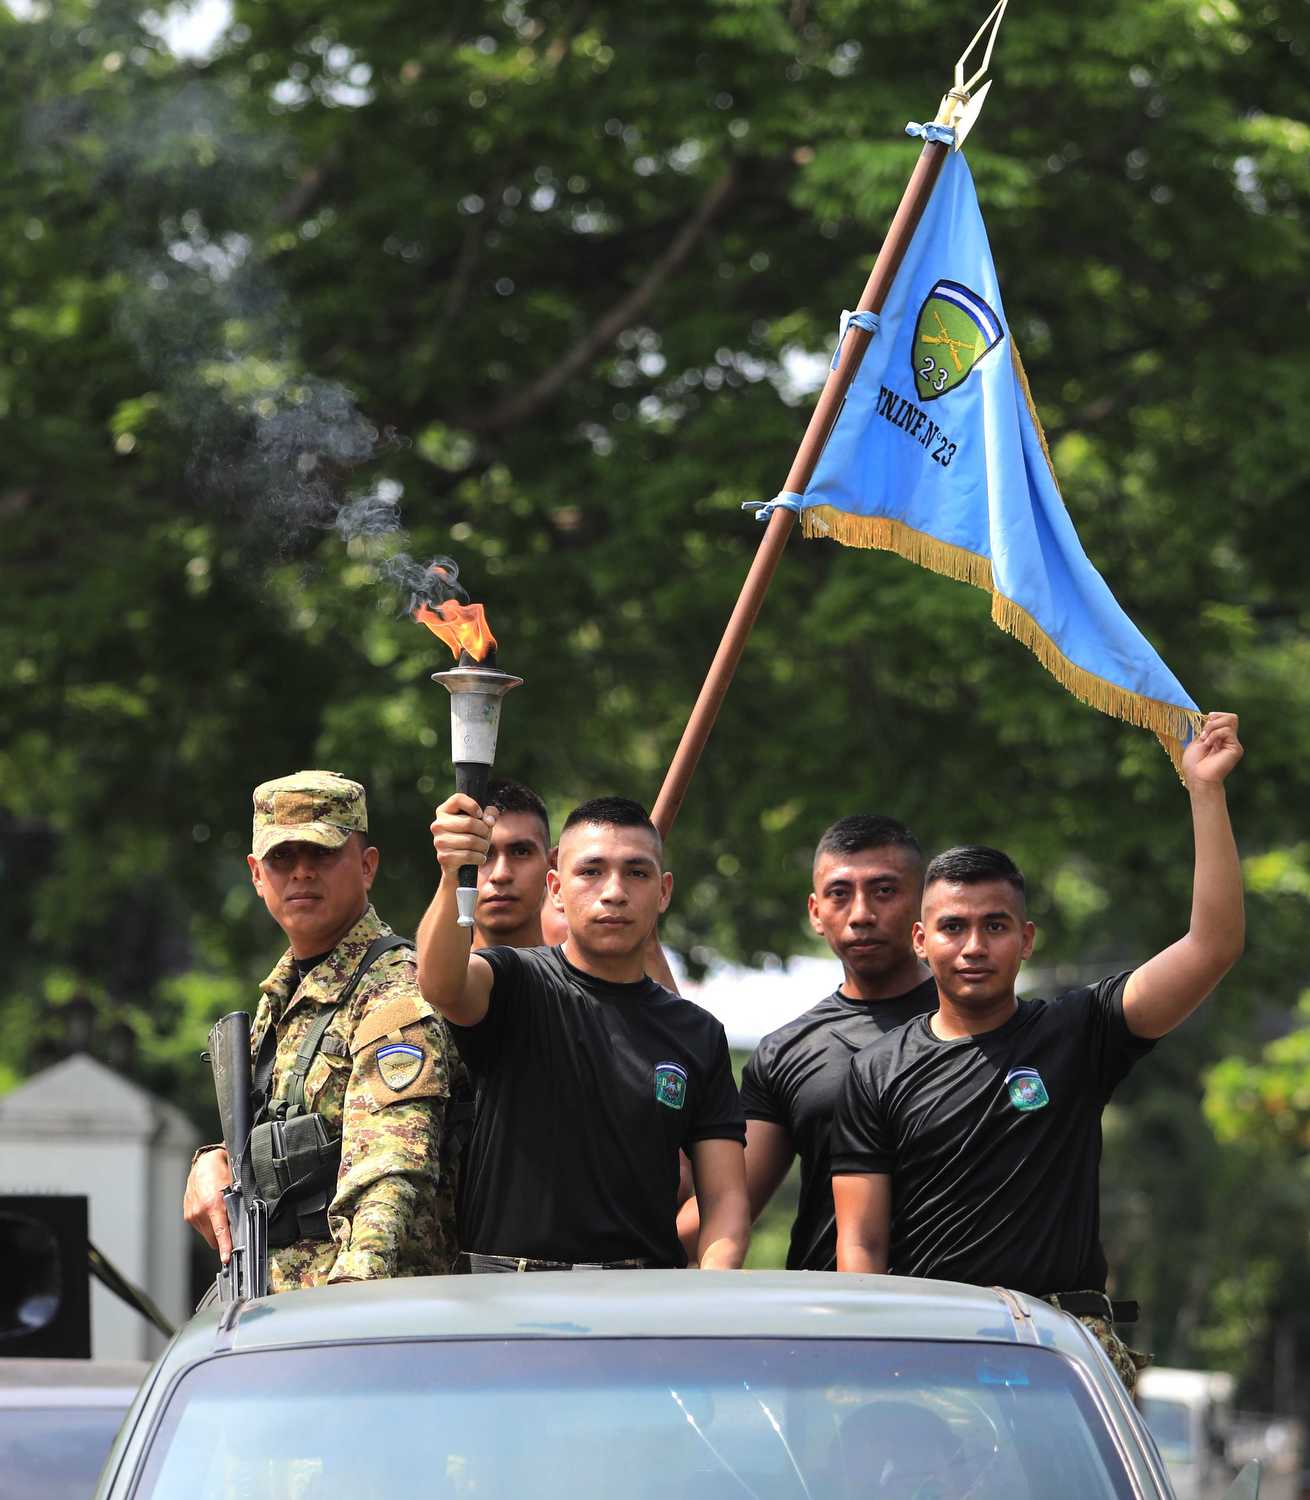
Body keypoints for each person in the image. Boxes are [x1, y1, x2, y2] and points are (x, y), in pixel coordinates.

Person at [831, 712, 1245, 1390]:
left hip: (1061, 1359)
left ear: (1026, 939)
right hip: (930, 1356)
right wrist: (877, 1364)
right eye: (953, 927)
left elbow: (1213, 946)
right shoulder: (876, 1071)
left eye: (995, 926)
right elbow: (861, 1244)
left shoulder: (1080, 1032)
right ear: (921, 942)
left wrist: (1206, 791)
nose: (974, 946)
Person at [418, 792, 750, 1270]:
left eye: (637, 873)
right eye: (591, 871)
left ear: (664, 891)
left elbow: (725, 1201)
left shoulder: (697, 1033)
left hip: (641, 1295)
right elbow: (441, 984)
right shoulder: (513, 981)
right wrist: (456, 873)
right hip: (504, 1291)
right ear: (555, 887)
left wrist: (712, 1291)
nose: (614, 891)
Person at [183, 771, 459, 1291]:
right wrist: (213, 1161)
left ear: (367, 865)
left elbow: (391, 1167)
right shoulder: (284, 995)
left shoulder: (393, 993)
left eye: (323, 853)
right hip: (274, 1302)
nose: (302, 872)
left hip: (363, 1311)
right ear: (256, 874)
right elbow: (284, 1135)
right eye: (282, 857)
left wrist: (350, 1298)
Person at [677, 814, 937, 1270]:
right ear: (816, 912)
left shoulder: (983, 1028)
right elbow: (723, 1208)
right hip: (831, 1304)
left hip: (966, 1305)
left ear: (924, 904)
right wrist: (610, 1257)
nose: (861, 914)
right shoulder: (786, 1053)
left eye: (884, 891)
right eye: (840, 894)